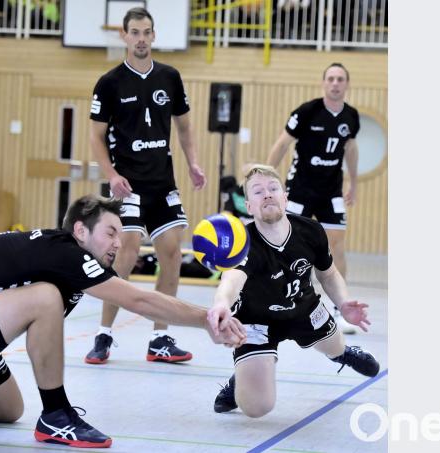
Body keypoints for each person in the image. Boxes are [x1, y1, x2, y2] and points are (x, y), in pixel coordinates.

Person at [0, 195, 246, 448]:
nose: (118, 243)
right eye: (110, 232)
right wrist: (206, 320)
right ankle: (56, 414)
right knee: (46, 297)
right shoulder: (67, 253)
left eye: (121, 234)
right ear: (80, 230)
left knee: (6, 410)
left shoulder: (61, 256)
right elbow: (139, 300)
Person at [86, 7, 207, 365]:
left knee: (171, 253)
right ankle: (104, 335)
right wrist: (110, 174)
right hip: (128, 184)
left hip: (162, 183)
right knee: (128, 252)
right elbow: (96, 135)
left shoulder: (170, 77)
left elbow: (184, 127)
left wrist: (194, 163)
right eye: (134, 32)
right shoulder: (109, 83)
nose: (141, 39)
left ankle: (160, 337)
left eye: (146, 32)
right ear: (124, 36)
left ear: (154, 36)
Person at [208, 165, 379, 417]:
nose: (267, 194)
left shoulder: (311, 231)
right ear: (248, 206)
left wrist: (343, 303)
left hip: (304, 308)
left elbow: (328, 273)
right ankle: (242, 376)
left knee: (334, 347)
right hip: (257, 319)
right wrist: (222, 303)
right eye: (257, 192)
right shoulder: (242, 241)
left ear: (285, 197)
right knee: (257, 408)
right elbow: (232, 279)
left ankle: (342, 354)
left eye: (273, 188)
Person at [266, 62, 360, 334]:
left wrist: (352, 182)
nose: (335, 83)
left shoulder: (351, 116)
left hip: (330, 190)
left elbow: (351, 148)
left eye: (340, 79)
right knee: (288, 243)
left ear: (346, 84)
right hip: (301, 188)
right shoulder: (307, 112)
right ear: (323, 83)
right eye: (330, 78)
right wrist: (268, 180)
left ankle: (337, 309)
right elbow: (282, 144)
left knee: (336, 245)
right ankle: (282, 303)